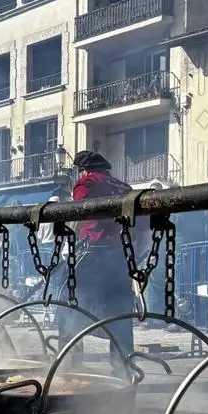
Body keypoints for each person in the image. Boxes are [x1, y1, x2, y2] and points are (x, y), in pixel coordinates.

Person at [70, 151, 135, 374]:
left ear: (84, 170)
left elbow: (79, 212)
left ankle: (70, 364)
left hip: (92, 253)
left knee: (70, 306)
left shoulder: (86, 182)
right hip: (119, 255)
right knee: (121, 313)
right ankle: (122, 368)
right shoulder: (124, 187)